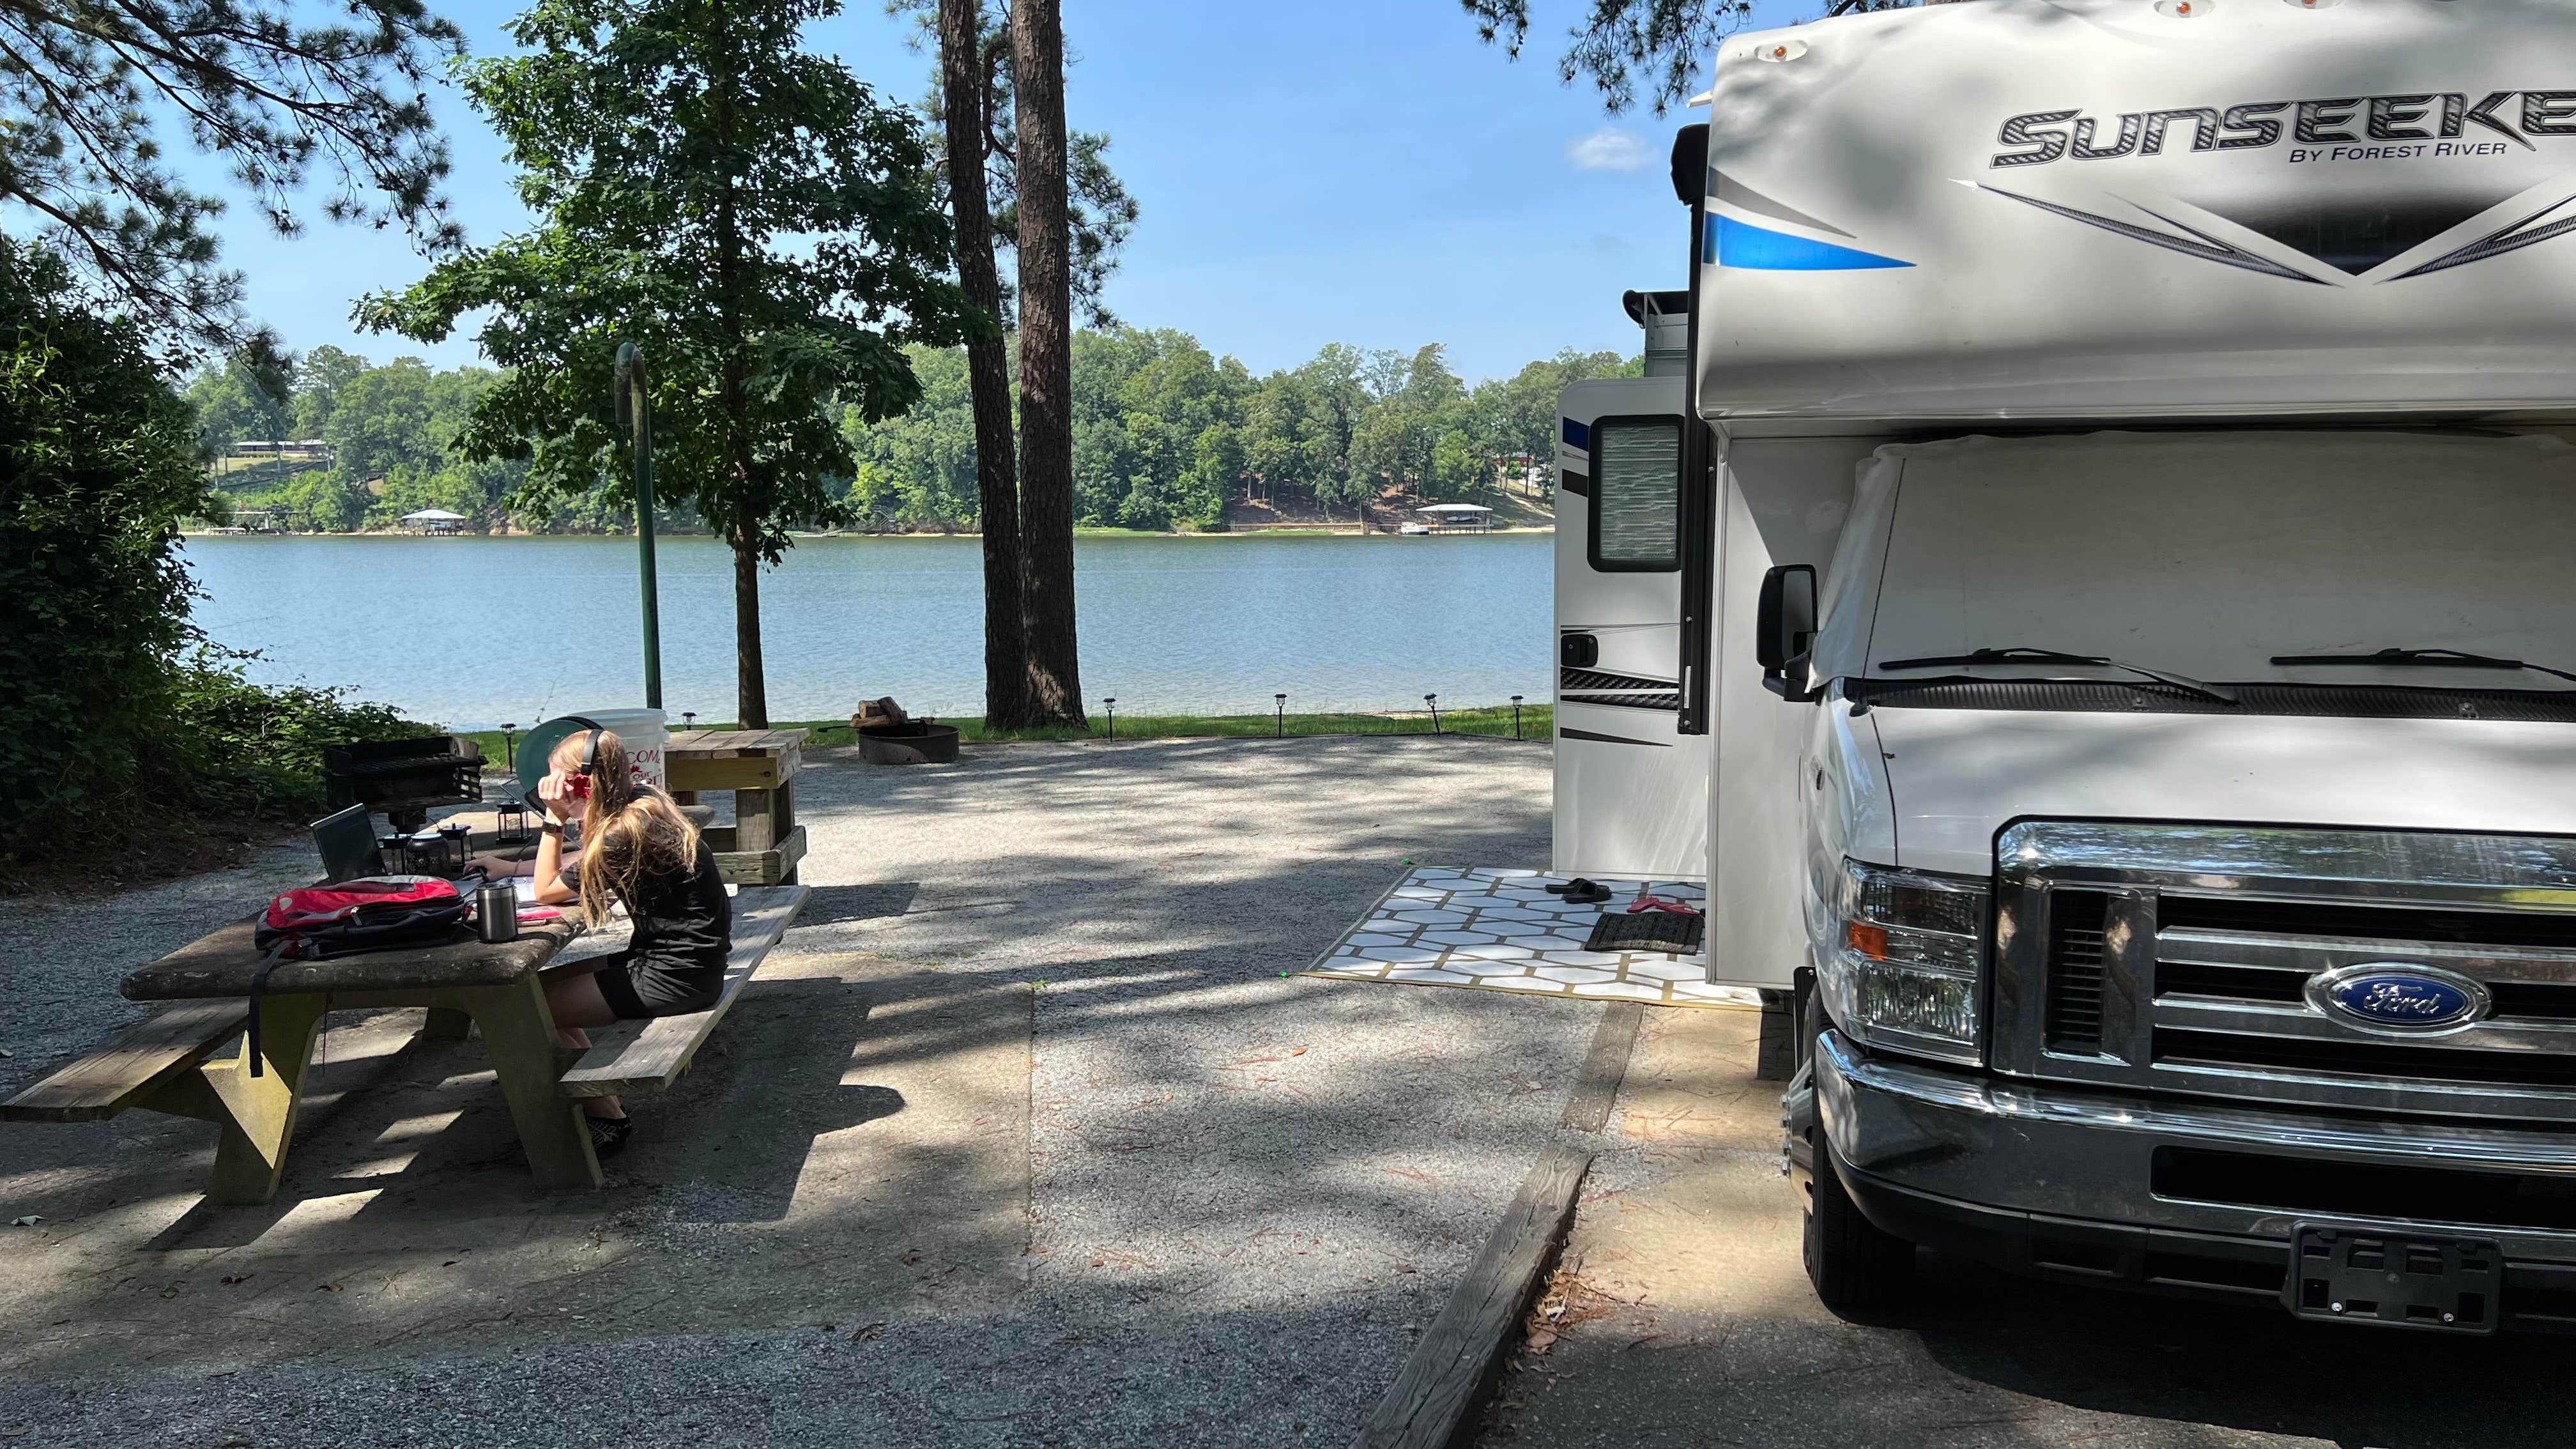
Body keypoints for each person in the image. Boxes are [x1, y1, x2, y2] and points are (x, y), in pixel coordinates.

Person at [479, 729, 732, 1159]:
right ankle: (605, 1107)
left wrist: (553, 819)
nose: (550, 787)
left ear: (582, 784)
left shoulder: (625, 833)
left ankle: (607, 1121)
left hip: (674, 976)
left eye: (557, 778)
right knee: (532, 993)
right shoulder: (642, 804)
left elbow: (546, 892)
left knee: (525, 1013)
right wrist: (510, 867)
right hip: (683, 962)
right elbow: (586, 861)